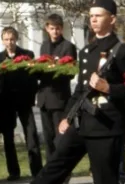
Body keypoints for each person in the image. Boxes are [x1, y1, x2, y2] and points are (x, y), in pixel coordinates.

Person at [32, 0, 125, 184]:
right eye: (91, 16)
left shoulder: (122, 51)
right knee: (53, 168)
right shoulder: (86, 52)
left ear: (112, 19)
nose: (93, 20)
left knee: (104, 178)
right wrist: (66, 116)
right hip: (83, 122)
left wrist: (109, 88)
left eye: (98, 16)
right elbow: (80, 89)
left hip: (107, 125)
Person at [0, 27, 43, 180]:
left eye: (12, 39)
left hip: (24, 101)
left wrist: (31, 95)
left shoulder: (27, 55)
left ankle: (37, 171)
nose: (9, 42)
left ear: (16, 39)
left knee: (31, 136)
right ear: (2, 40)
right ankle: (13, 172)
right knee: (8, 139)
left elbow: (33, 77)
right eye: (6, 39)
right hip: (6, 103)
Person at [36, 13, 77, 162]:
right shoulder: (44, 46)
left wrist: (55, 69)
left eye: (58, 29)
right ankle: (49, 168)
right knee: (48, 138)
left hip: (59, 98)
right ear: (47, 28)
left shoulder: (68, 47)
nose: (55, 32)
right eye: (52, 28)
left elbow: (70, 73)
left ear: (62, 29)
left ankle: (61, 168)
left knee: (60, 136)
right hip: (44, 98)